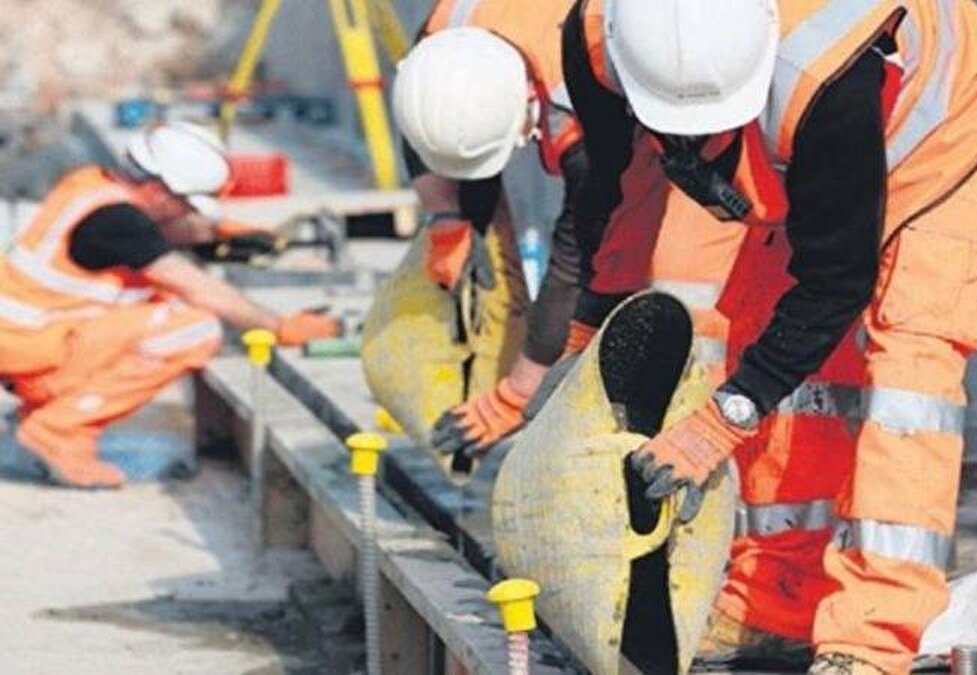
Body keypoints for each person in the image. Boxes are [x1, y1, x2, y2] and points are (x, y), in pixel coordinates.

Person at [561, 0, 977, 672]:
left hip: (947, 134)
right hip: (809, 144)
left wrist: (720, 421)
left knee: (909, 377)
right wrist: (583, 337)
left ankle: (872, 634)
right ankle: (776, 602)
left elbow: (837, 282)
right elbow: (612, 194)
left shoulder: (827, 77)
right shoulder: (600, 42)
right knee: (767, 330)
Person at [392, 0, 744, 460]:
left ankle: (696, 437)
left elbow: (581, 258)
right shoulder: (442, 45)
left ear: (527, 110)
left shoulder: (582, 114)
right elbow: (427, 129)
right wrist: (447, 217)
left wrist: (516, 395)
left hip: (703, 96)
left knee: (679, 277)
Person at [0, 122, 340, 489]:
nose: (187, 214)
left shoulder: (91, 184)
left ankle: (40, 415)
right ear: (160, 190)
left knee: (154, 302)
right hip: (34, 352)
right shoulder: (119, 223)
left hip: (24, 341)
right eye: (187, 204)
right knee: (191, 327)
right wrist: (280, 326)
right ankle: (58, 433)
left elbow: (147, 237)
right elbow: (201, 290)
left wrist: (218, 233)